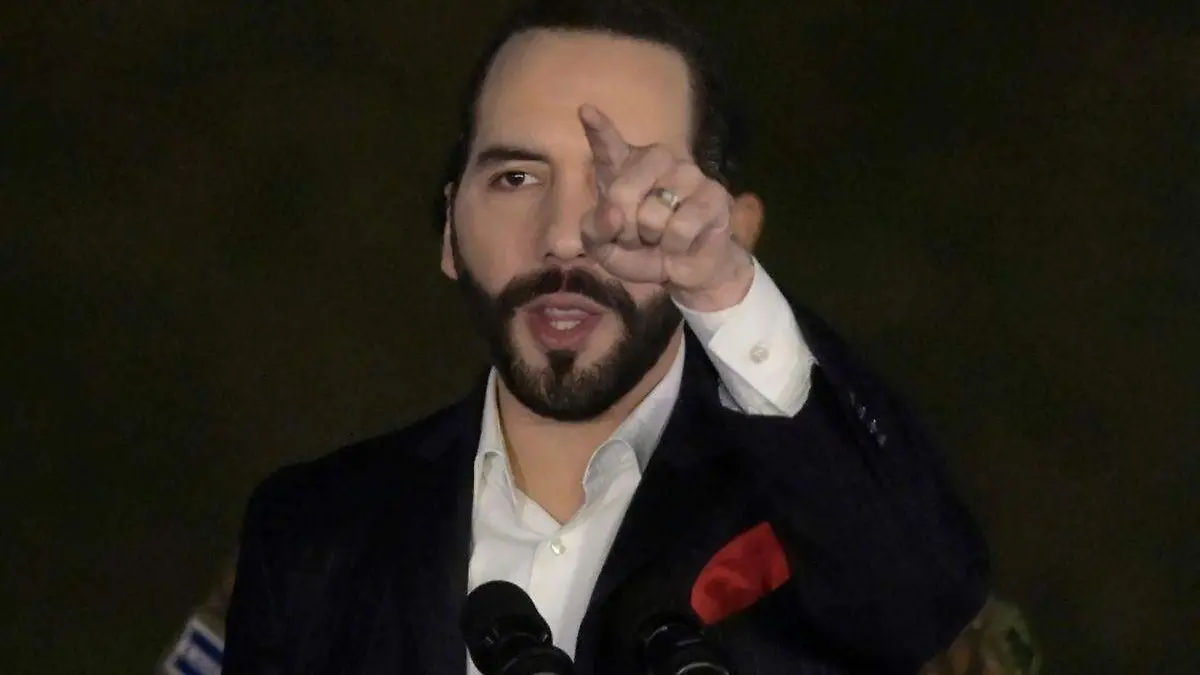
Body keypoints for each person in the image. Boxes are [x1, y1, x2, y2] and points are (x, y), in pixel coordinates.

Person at [223, 1, 1001, 673]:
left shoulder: (815, 504)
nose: (566, 236)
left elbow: (921, 603)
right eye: (516, 178)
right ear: (451, 230)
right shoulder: (312, 530)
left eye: (631, 184)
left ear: (727, 228)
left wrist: (726, 290)